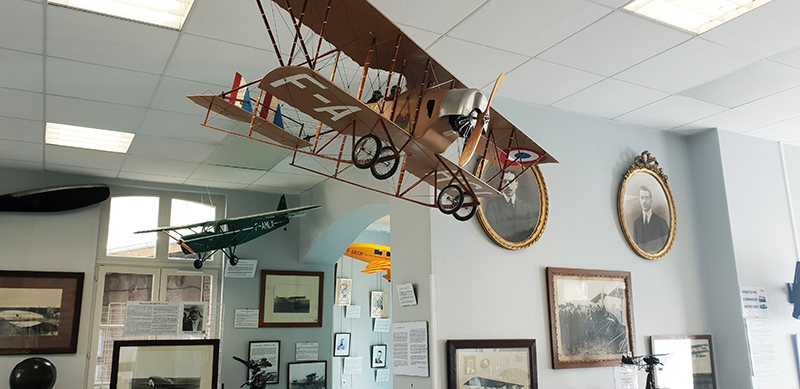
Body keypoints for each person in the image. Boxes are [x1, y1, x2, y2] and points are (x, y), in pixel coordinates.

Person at [482, 171, 538, 242]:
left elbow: (528, 229)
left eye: (511, 181)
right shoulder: (492, 206)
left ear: (516, 184)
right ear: (501, 184)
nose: (508, 186)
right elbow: (493, 229)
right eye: (505, 181)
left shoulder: (526, 207)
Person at [632, 186, 669, 253]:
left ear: (651, 200)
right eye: (642, 198)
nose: (644, 201)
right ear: (639, 200)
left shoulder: (661, 223)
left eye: (646, 198)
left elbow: (666, 247)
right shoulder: (636, 223)